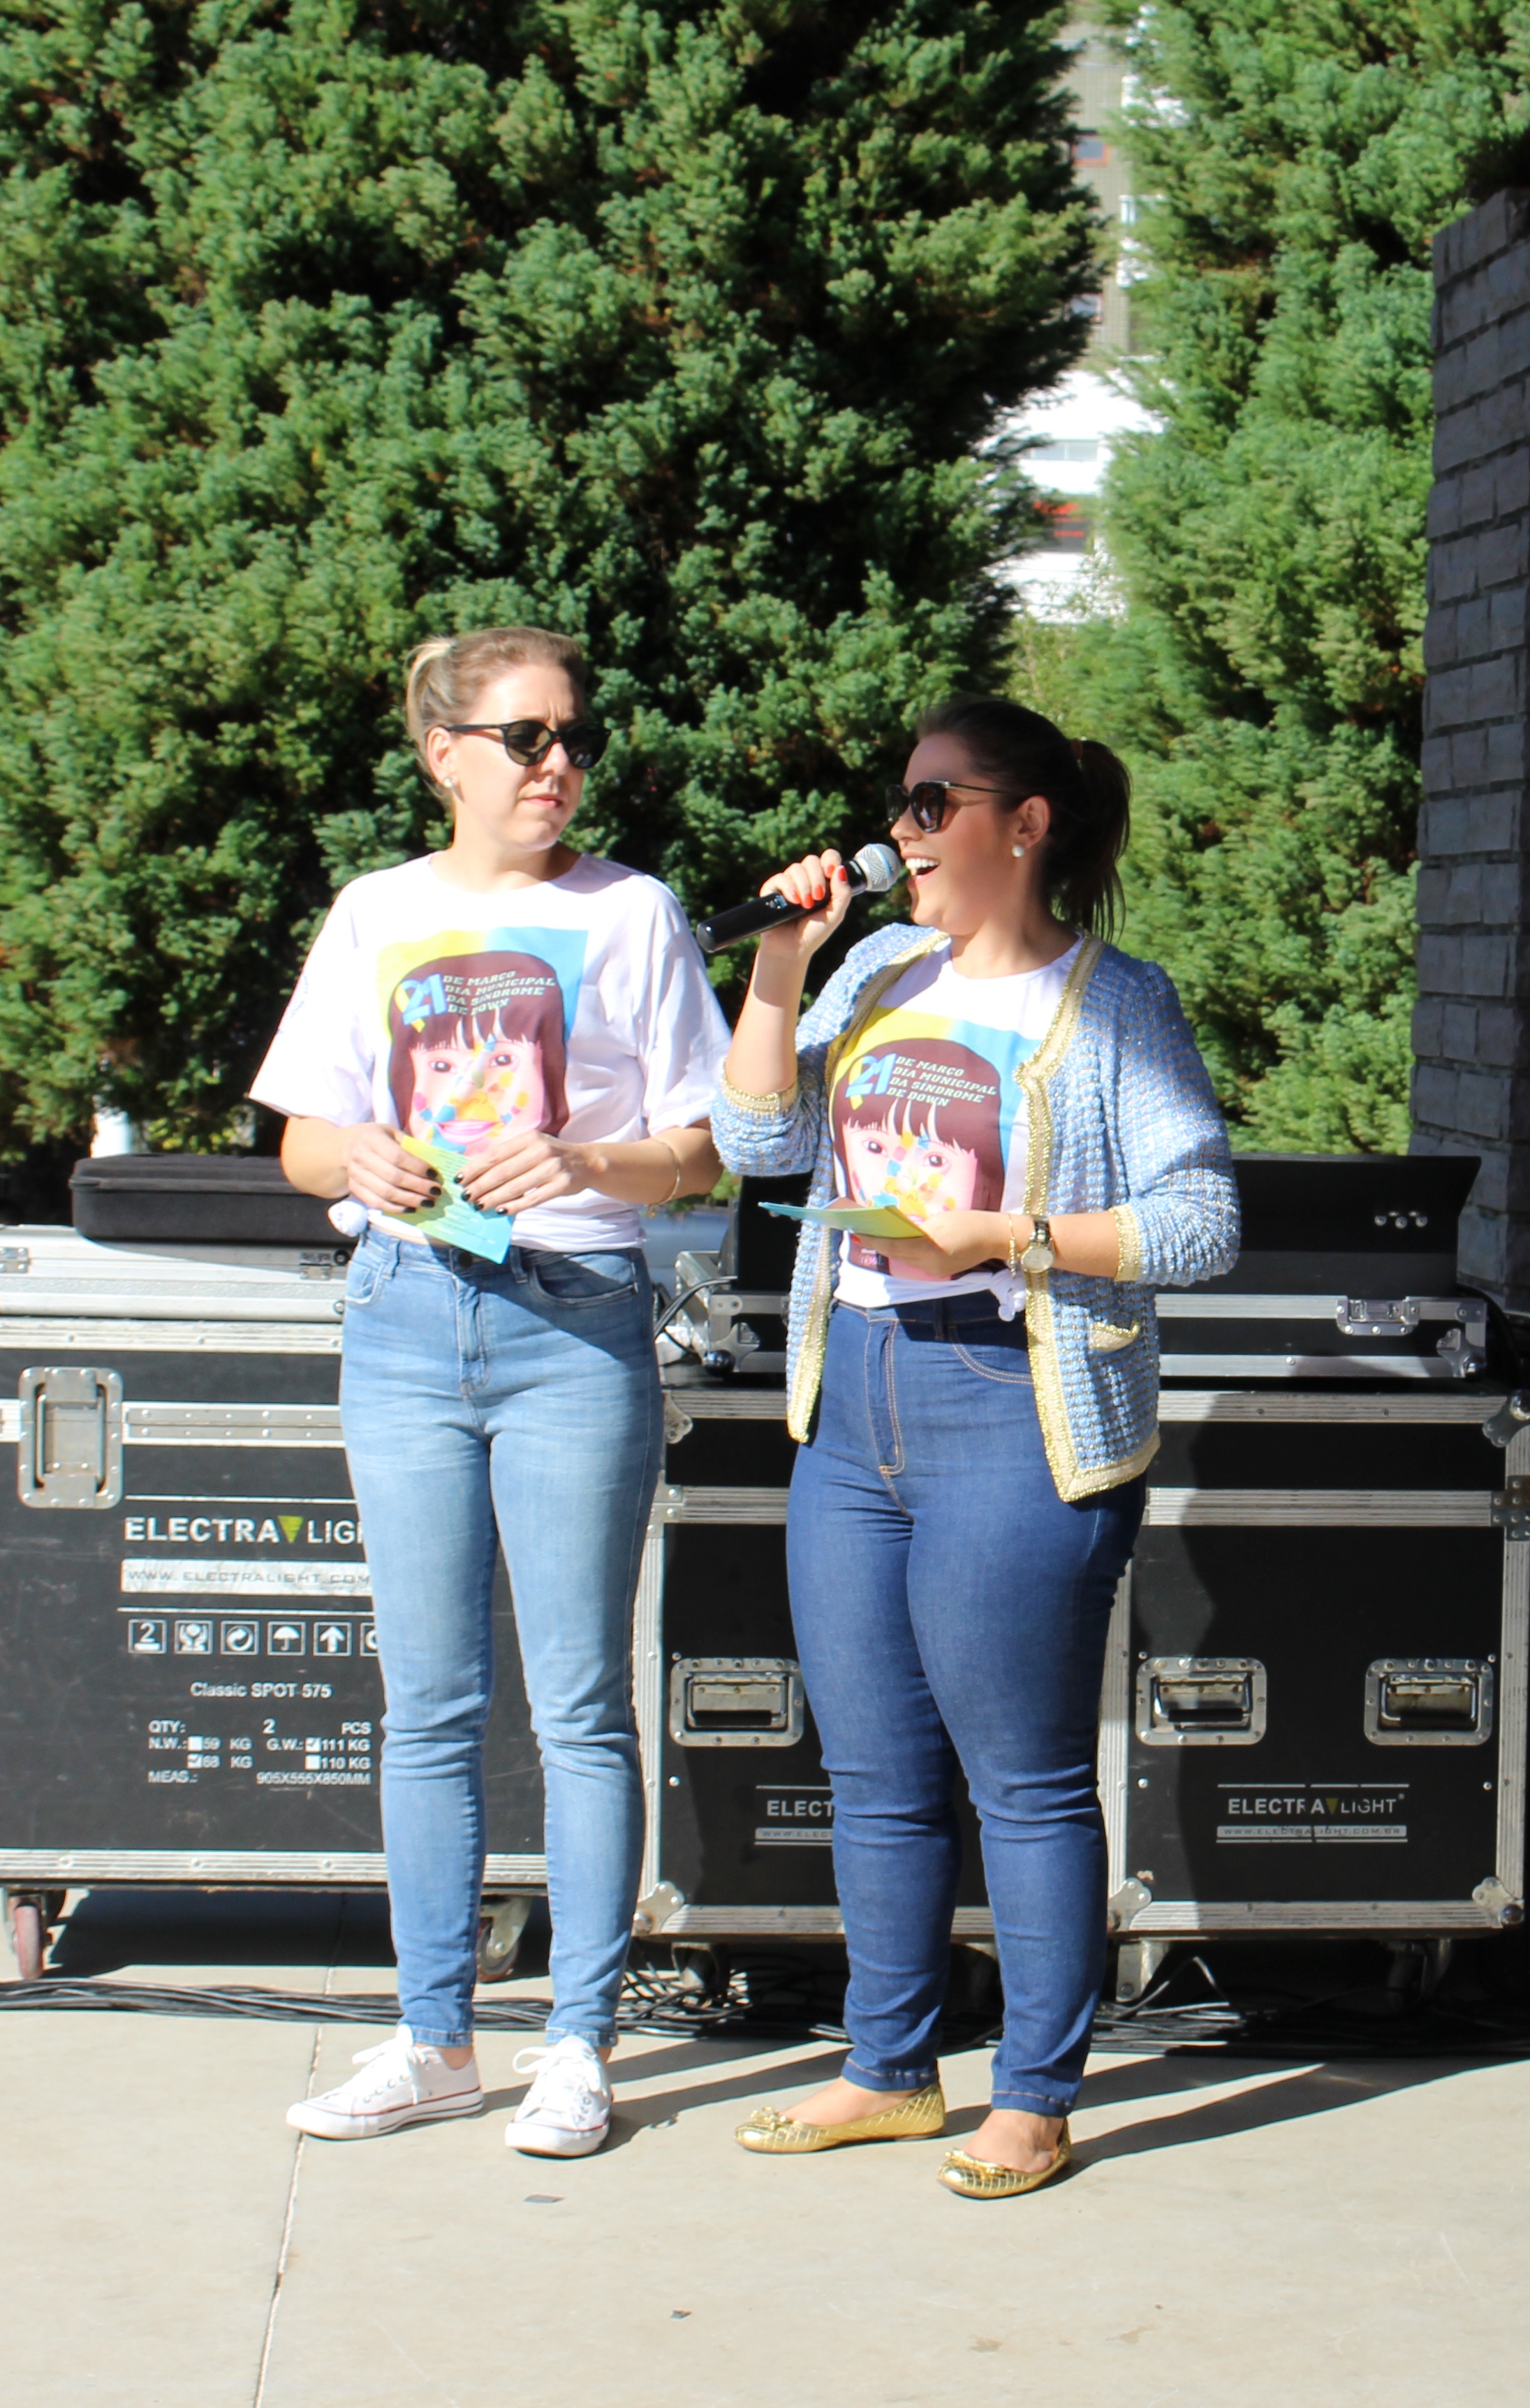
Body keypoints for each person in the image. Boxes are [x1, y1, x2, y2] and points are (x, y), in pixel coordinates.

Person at [713, 695, 1237, 2198]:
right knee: (874, 1772)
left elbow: (1203, 1221)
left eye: (935, 805)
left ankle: (1035, 2096)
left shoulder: (1115, 1002)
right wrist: (780, 961)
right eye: (903, 803)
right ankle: (887, 2071)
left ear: (1028, 824)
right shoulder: (877, 968)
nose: (903, 830)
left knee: (1023, 1778)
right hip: (854, 1399)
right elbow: (756, 1145)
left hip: (1010, 1403)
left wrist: (1012, 1236)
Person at [251, 625, 728, 2159]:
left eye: (575, 736)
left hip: (571, 1322)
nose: (558, 764)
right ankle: (434, 2039)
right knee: (429, 1705)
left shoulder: (634, 913)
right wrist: (359, 1154)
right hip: (403, 1315)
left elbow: (706, 1151)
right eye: (526, 738)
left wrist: (586, 1160)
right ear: (443, 753)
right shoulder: (376, 911)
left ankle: (578, 2044)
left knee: (579, 1703)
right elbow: (302, 1141)